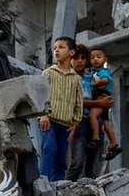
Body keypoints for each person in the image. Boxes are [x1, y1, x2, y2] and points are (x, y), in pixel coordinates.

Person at [39, 36, 84, 182]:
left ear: (71, 52)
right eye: (55, 48)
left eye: (61, 47)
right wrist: (43, 114)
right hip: (49, 120)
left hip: (66, 124)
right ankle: (43, 182)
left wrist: (75, 124)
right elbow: (40, 94)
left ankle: (58, 185)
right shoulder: (49, 73)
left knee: (61, 158)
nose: (56, 50)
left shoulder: (76, 78)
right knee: (49, 148)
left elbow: (79, 102)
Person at [89, 46, 121, 160]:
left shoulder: (103, 71)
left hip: (101, 96)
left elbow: (105, 80)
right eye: (92, 58)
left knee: (92, 115)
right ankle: (113, 144)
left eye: (98, 57)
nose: (95, 59)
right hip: (102, 97)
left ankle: (95, 137)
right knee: (106, 122)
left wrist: (92, 85)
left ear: (105, 59)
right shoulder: (93, 71)